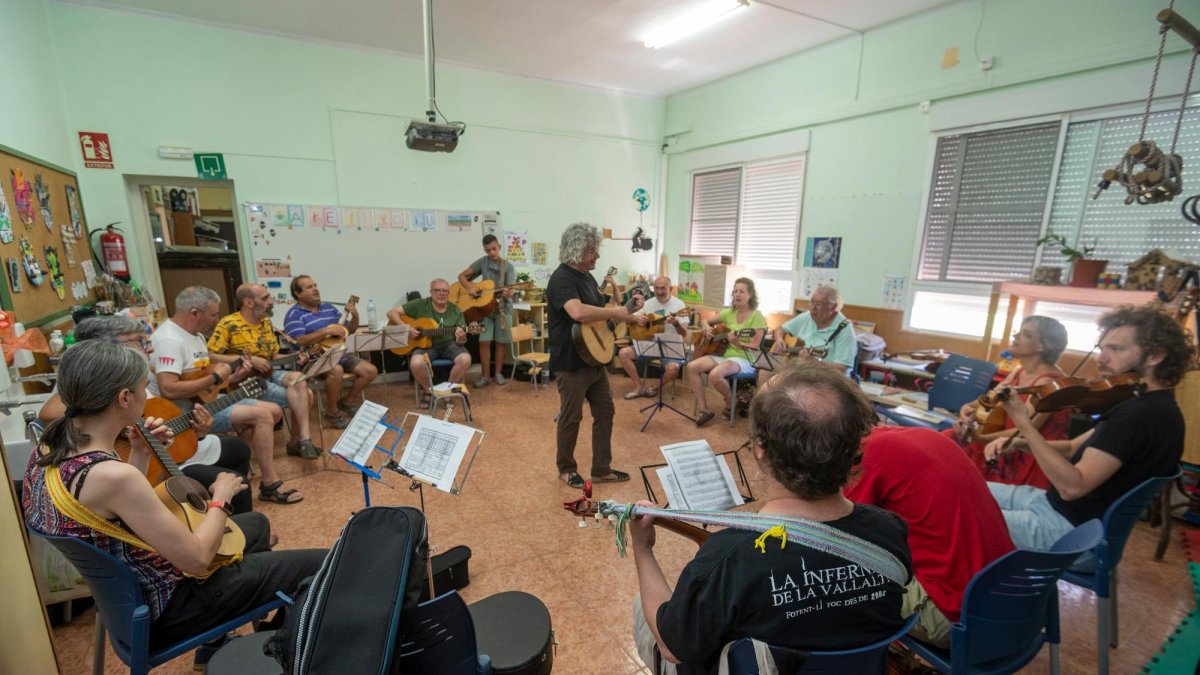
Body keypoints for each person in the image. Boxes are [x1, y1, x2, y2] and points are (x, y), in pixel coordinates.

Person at [22, 340, 325, 652]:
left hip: (126, 606)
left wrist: (140, 450)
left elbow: (114, 508)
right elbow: (196, 560)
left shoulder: (50, 446)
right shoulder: (112, 474)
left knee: (257, 525)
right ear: (125, 398)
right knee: (323, 565)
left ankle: (234, 643)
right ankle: (277, 649)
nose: (146, 395)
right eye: (143, 387)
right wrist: (221, 499)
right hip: (170, 609)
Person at [629, 365, 912, 674]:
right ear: (854, 450)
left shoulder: (729, 558)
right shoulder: (890, 530)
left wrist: (643, 549)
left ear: (760, 449)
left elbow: (673, 648)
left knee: (644, 610)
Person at [987, 303, 1195, 552]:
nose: (1102, 359)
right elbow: (1073, 446)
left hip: (1071, 532)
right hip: (1053, 507)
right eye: (1102, 348)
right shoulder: (1146, 405)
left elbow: (1072, 487)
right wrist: (1020, 443)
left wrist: (1023, 423)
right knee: (961, 484)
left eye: (1116, 349)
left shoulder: (1141, 416)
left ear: (1154, 356)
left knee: (948, 513)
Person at [37, 314, 264, 514]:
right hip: (143, 467)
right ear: (108, 347)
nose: (151, 347)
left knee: (238, 449)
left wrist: (199, 430)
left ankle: (228, 530)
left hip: (157, 453)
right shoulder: (88, 378)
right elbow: (49, 413)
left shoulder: (134, 373)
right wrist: (123, 429)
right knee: (236, 484)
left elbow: (158, 414)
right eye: (141, 341)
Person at [845, 426, 1015, 648]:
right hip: (1018, 606)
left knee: (834, 578)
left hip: (961, 620)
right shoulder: (923, 434)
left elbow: (837, 534)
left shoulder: (867, 455)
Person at [151, 287, 304, 504]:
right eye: (213, 315)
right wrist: (215, 378)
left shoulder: (195, 336)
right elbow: (169, 389)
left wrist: (230, 378)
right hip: (182, 418)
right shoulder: (170, 340)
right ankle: (270, 483)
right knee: (262, 416)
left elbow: (200, 383)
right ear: (194, 313)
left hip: (202, 405)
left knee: (274, 410)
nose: (216, 320)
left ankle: (239, 465)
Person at [546, 222, 643, 489]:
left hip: (595, 359)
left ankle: (601, 468)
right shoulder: (561, 279)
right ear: (576, 251)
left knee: (606, 412)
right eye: (592, 251)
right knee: (571, 416)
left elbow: (601, 314)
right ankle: (566, 468)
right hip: (571, 362)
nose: (596, 256)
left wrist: (629, 310)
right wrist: (618, 313)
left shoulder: (587, 278)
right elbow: (578, 313)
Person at [947, 316, 1070, 489]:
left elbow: (1024, 431)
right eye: (1018, 331)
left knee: (951, 461)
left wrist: (981, 438)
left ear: (1043, 346)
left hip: (1027, 456)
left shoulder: (1048, 383)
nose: (1015, 337)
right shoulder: (1019, 372)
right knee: (943, 443)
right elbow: (989, 400)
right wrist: (967, 409)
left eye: (1025, 334)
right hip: (1001, 443)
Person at [208, 284, 321, 461]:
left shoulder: (266, 323)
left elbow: (273, 356)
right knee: (306, 395)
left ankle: (302, 439)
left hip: (268, 373)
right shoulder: (228, 324)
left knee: (299, 377)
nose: (270, 302)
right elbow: (211, 355)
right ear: (249, 302)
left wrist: (294, 357)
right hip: (243, 381)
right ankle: (297, 443)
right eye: (265, 298)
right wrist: (249, 360)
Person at [283, 275, 378, 427]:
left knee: (370, 371)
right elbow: (298, 341)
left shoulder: (329, 308)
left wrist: (355, 315)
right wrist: (325, 331)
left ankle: (346, 401)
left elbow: (350, 330)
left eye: (315, 285)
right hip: (312, 359)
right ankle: (332, 412)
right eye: (309, 287)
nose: (315, 289)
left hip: (339, 353)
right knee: (337, 370)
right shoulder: (294, 315)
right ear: (298, 294)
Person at [685, 277, 766, 427]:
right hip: (727, 357)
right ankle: (704, 408)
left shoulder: (757, 317)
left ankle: (731, 402)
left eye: (742, 291)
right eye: (735, 291)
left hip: (746, 359)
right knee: (691, 367)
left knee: (716, 374)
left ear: (750, 295)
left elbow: (755, 347)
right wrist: (706, 327)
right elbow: (705, 321)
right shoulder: (729, 313)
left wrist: (738, 343)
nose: (737, 295)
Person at [385, 278, 472, 405]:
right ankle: (428, 391)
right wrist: (407, 328)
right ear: (431, 292)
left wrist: (461, 338)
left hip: (449, 344)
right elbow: (391, 313)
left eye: (445, 291)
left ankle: (447, 391)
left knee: (465, 359)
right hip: (425, 346)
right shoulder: (420, 304)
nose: (441, 294)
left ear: (449, 293)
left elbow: (461, 341)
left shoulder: (455, 310)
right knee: (416, 363)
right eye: (437, 290)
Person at [617, 275, 690, 400]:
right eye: (656, 288)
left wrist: (677, 323)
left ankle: (654, 388)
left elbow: (684, 334)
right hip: (649, 344)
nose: (659, 292)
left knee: (673, 369)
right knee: (623, 353)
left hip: (670, 347)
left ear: (670, 288)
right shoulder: (648, 303)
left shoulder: (680, 306)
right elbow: (627, 320)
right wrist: (635, 318)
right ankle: (639, 387)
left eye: (663, 288)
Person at [457, 234, 516, 387]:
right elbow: (462, 276)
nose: (491, 253)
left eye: (494, 249)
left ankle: (498, 373)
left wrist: (509, 293)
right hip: (485, 310)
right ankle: (485, 376)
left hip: (504, 310)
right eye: (488, 250)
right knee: (484, 342)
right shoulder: (483, 262)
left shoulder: (508, 267)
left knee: (501, 343)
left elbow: (511, 290)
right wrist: (470, 287)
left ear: (499, 247)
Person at [770, 285, 857, 372]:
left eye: (819, 304)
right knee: (765, 371)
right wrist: (779, 340)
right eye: (812, 302)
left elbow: (842, 369)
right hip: (798, 368)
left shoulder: (845, 330)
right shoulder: (807, 316)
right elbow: (780, 329)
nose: (813, 307)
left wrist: (813, 362)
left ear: (833, 307)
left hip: (826, 377)